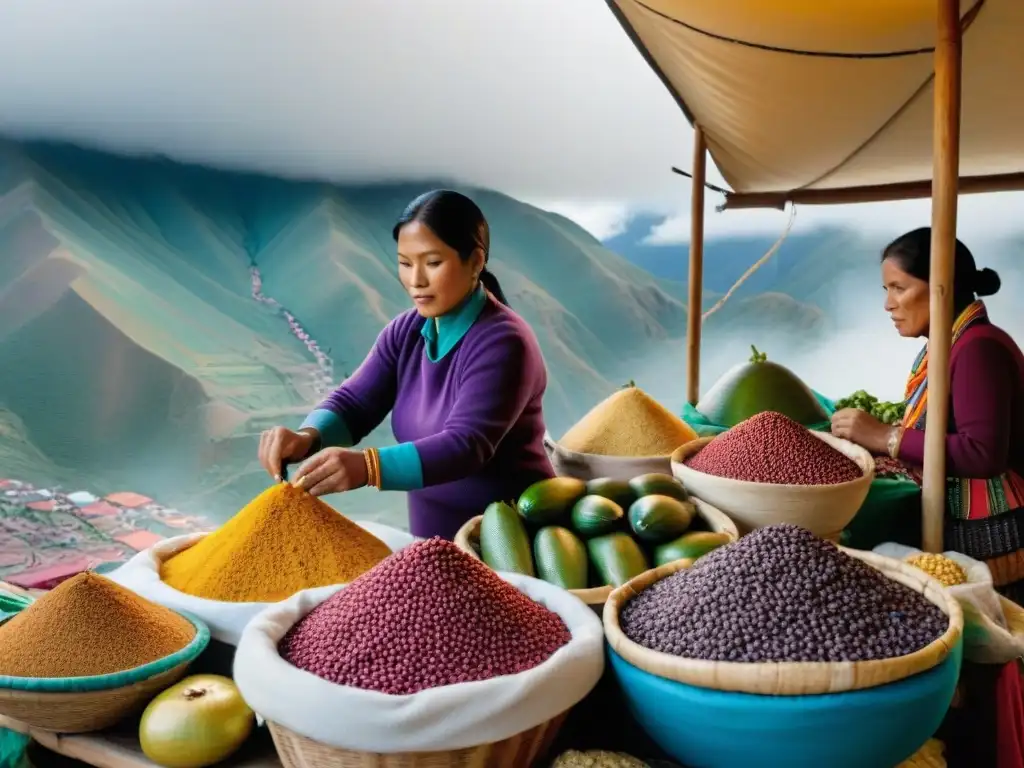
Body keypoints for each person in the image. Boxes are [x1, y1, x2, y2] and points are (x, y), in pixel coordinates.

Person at [831, 227, 1023, 768]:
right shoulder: (952, 344)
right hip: (972, 530)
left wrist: (883, 436)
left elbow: (984, 452)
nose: (888, 304)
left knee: (993, 666)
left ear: (938, 289)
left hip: (993, 534)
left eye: (898, 288)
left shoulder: (978, 348)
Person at [258, 189, 554, 540]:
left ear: (475, 261)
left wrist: (367, 467)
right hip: (432, 540)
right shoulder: (406, 331)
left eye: (432, 263)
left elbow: (466, 445)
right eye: (405, 263)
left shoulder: (504, 342)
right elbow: (355, 403)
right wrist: (307, 437)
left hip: (511, 542)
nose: (416, 281)